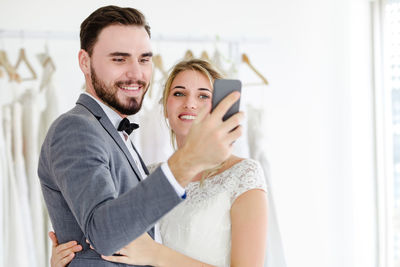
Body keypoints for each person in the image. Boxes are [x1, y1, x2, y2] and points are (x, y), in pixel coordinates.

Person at [38, 5, 243, 267]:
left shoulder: (118, 134)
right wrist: (188, 160)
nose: (136, 73)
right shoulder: (76, 128)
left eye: (144, 59)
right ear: (85, 62)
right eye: (119, 59)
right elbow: (105, 234)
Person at [50, 59, 268, 267]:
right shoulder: (148, 174)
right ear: (165, 108)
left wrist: (155, 254)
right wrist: (73, 259)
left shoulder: (243, 175)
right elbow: (109, 237)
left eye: (203, 96)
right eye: (179, 93)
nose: (190, 103)